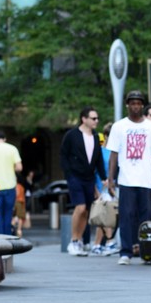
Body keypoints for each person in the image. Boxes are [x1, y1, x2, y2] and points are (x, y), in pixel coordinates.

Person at [106, 91, 151, 265]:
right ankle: (126, 252)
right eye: (132, 103)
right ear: (127, 105)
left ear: (142, 106)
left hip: (146, 178)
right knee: (126, 215)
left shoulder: (150, 127)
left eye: (139, 103)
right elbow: (113, 154)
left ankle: (147, 252)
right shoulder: (119, 126)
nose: (136, 106)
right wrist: (110, 179)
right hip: (126, 179)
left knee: (146, 217)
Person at [60, 107, 106, 256]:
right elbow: (63, 155)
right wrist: (68, 173)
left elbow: (98, 159)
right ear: (84, 119)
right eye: (93, 118)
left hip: (89, 178)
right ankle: (73, 241)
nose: (96, 121)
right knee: (80, 207)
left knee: (86, 211)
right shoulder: (71, 135)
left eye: (97, 118)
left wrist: (104, 178)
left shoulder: (95, 137)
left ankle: (79, 240)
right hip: (75, 176)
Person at [92, 124, 119, 256]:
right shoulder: (101, 151)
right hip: (102, 187)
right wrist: (95, 189)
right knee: (105, 215)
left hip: (114, 187)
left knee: (107, 216)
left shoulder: (117, 152)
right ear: (106, 135)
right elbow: (94, 171)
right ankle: (107, 242)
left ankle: (100, 244)